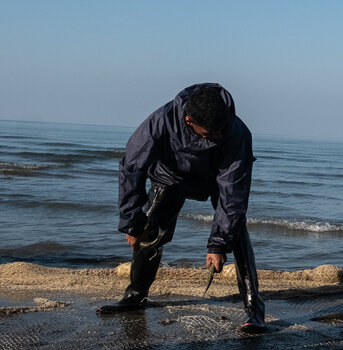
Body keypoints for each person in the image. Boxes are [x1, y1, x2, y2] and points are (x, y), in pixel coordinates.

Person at [99, 83, 264, 332]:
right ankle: (135, 297)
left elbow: (233, 194)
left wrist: (218, 244)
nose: (218, 137)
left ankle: (254, 308)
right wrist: (131, 222)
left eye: (221, 131)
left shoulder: (236, 132)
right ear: (188, 121)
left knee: (235, 230)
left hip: (217, 181)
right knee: (150, 232)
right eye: (210, 134)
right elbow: (132, 169)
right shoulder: (159, 123)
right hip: (169, 177)